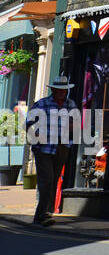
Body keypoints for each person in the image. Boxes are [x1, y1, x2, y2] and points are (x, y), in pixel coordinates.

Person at [26, 75, 78, 226]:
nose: (62, 93)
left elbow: (76, 124)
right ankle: (40, 215)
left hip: (61, 147)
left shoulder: (71, 105)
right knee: (47, 179)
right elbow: (28, 123)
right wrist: (35, 134)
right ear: (53, 89)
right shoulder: (42, 104)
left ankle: (45, 214)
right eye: (59, 90)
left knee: (53, 180)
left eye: (65, 90)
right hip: (43, 147)